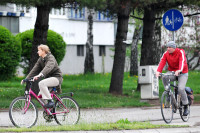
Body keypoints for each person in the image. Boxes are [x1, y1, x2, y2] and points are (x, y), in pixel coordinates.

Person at [156, 41, 189, 116]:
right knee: (164, 76)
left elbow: (182, 62)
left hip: (182, 73)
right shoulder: (166, 54)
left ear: (174, 47)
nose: (168, 49)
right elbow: (162, 62)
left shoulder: (180, 52)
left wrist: (179, 70)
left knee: (181, 88)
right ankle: (168, 93)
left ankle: (185, 105)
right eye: (167, 47)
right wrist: (158, 71)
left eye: (170, 47)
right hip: (172, 72)